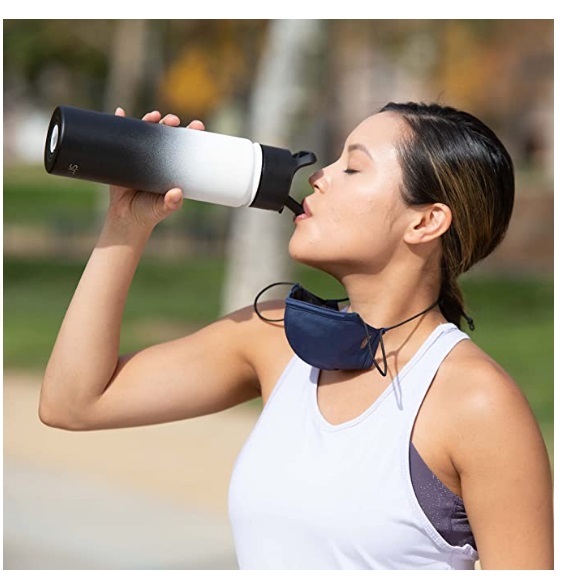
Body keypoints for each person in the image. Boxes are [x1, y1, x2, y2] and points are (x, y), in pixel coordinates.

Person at [39, 101, 553, 570]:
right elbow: (74, 401)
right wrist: (127, 225)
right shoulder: (275, 338)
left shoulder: (477, 404)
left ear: (425, 222)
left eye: (353, 167)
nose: (321, 177)